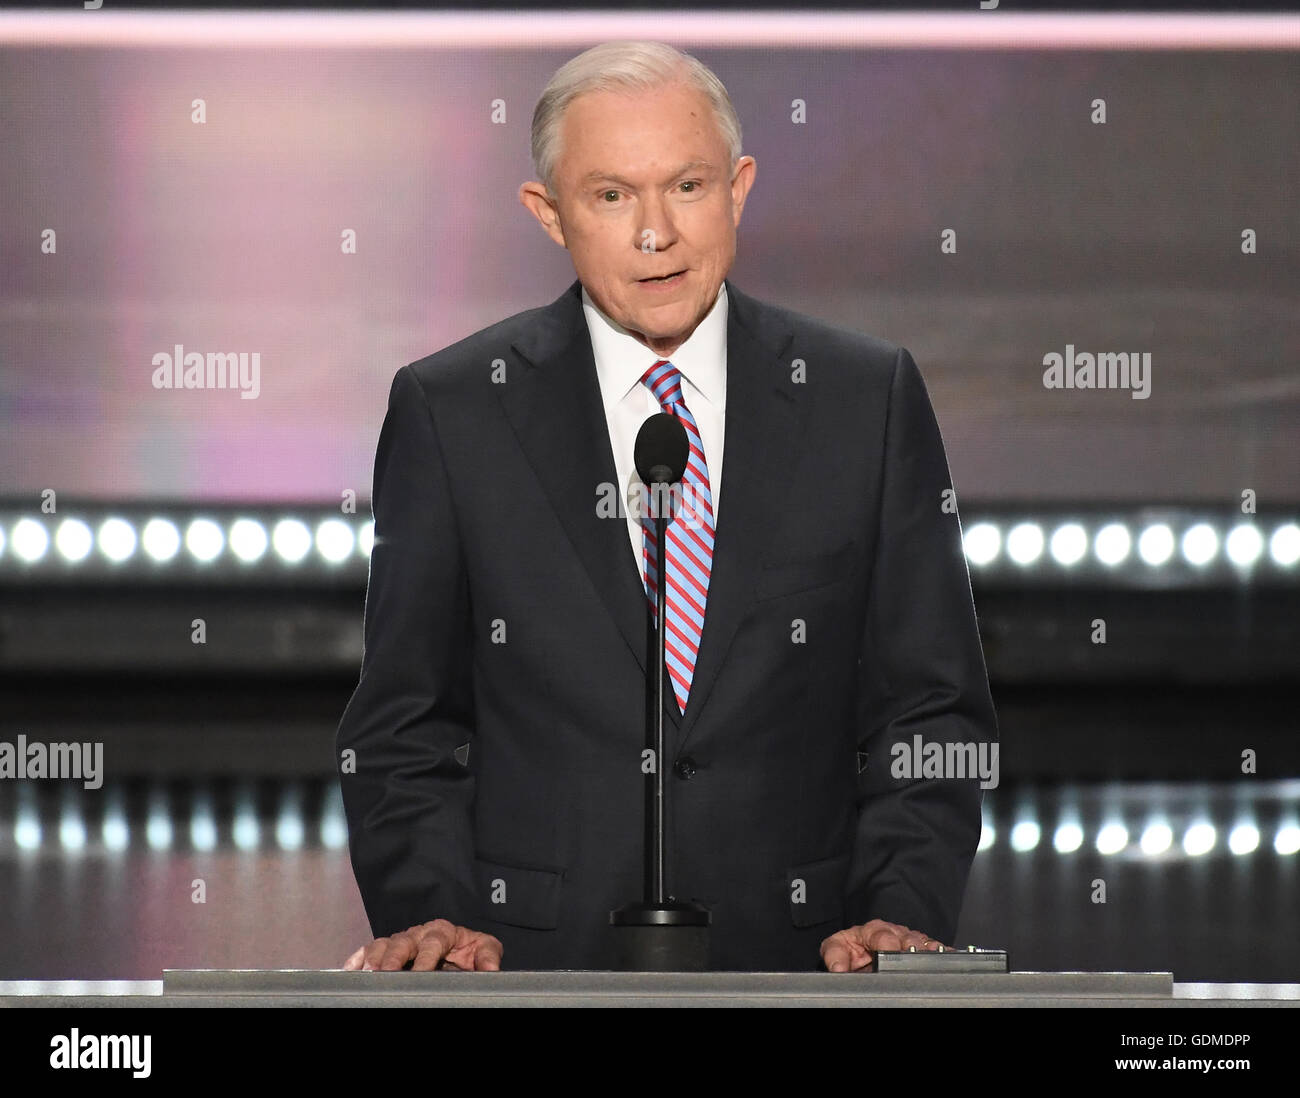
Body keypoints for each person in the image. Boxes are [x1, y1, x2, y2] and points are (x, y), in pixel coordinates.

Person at [338, 40, 998, 974]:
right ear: (549, 214)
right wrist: (433, 916)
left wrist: (900, 913)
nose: (657, 233)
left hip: (810, 969)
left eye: (687, 187)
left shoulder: (863, 397)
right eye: (611, 196)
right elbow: (407, 723)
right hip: (526, 973)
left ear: (739, 189)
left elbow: (930, 711)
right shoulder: (455, 409)